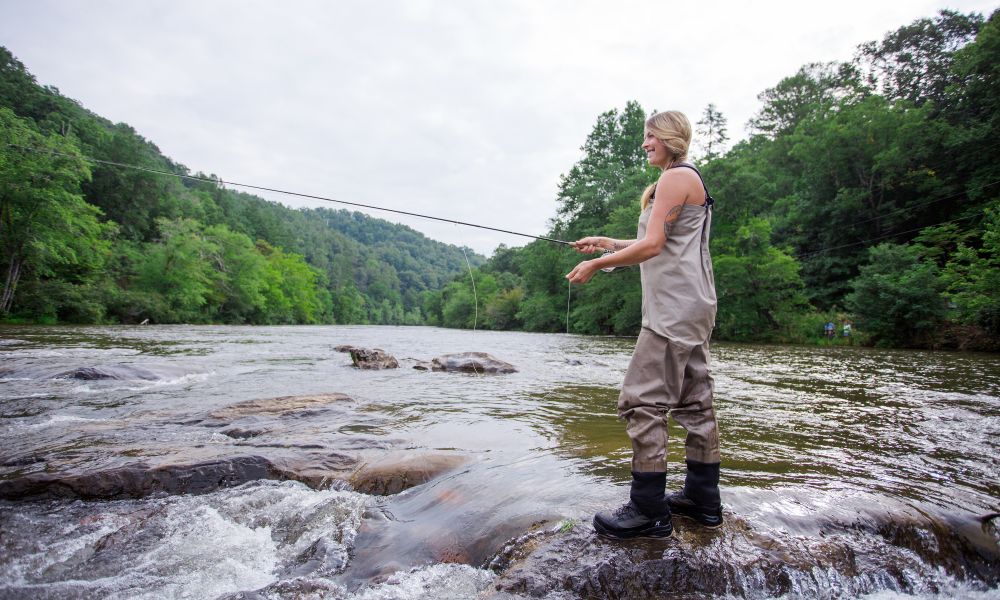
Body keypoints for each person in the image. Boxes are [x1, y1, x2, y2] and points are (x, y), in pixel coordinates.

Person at [566, 110, 722, 539]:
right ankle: (703, 501)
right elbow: (660, 240)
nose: (644, 143)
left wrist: (597, 263)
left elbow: (653, 246)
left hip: (672, 309)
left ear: (669, 137)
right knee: (695, 402)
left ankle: (649, 510)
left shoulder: (674, 179)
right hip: (693, 305)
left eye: (649, 135)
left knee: (640, 401)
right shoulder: (683, 178)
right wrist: (608, 243)